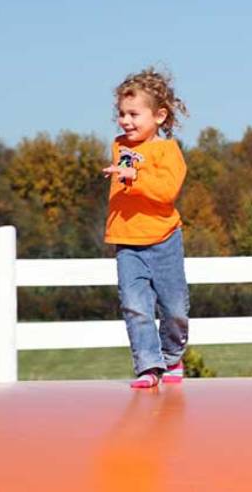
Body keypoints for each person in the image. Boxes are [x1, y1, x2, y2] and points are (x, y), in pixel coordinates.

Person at [103, 68, 190, 389]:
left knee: (174, 307)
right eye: (121, 114)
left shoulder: (168, 151)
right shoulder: (120, 146)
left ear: (159, 115)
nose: (126, 121)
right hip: (127, 241)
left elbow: (166, 192)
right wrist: (127, 175)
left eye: (134, 114)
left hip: (164, 239)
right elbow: (126, 174)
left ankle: (172, 356)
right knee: (135, 305)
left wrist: (133, 178)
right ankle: (148, 366)